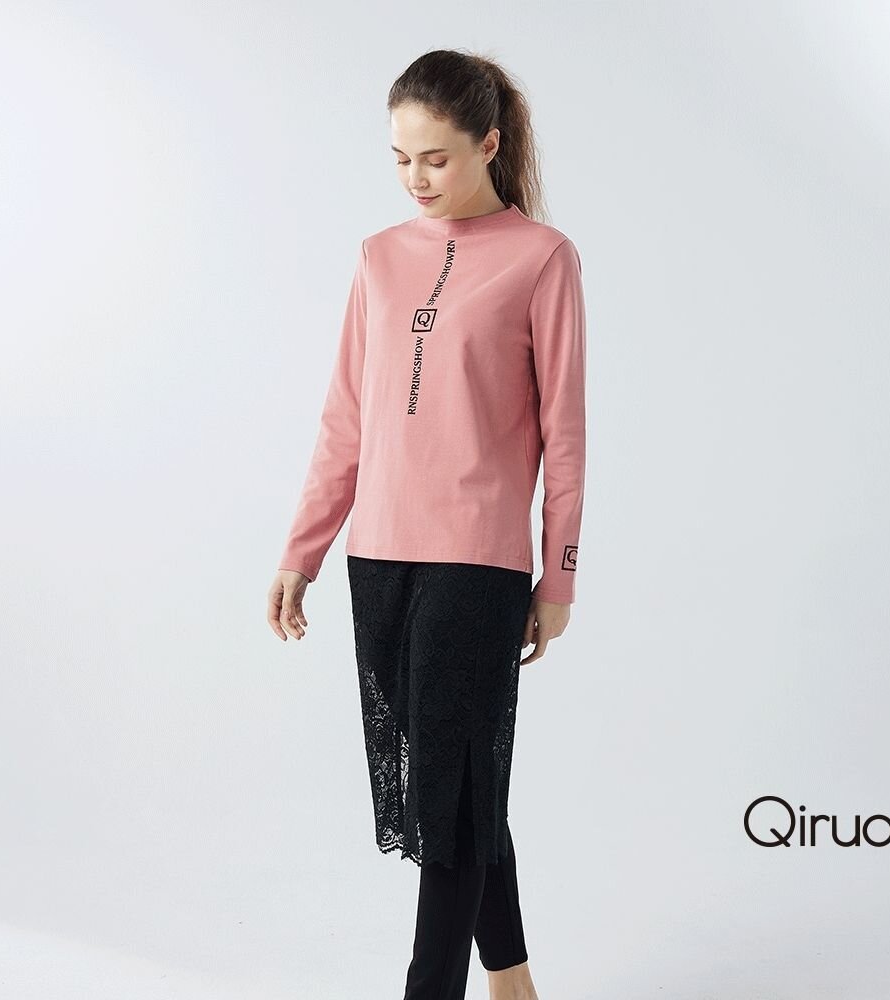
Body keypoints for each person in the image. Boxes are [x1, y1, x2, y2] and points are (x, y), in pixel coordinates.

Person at [266, 48, 586, 1000]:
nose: (416, 177)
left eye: (436, 158)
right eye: (402, 158)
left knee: (445, 794)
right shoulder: (378, 257)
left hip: (478, 564)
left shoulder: (542, 258)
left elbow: (565, 435)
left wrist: (559, 577)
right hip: (378, 557)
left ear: (488, 144)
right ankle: (513, 979)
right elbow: (346, 419)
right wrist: (303, 550)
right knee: (458, 781)